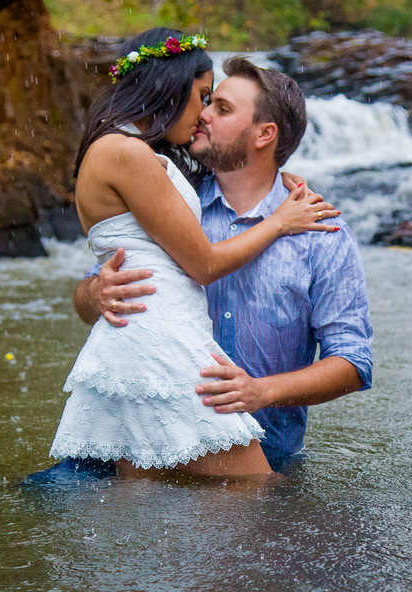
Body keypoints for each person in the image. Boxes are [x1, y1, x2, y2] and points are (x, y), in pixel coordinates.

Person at [49, 28, 340, 478]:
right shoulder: (130, 156)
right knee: (260, 498)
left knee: (139, 509)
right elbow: (201, 265)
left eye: (218, 105)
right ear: (170, 87)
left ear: (265, 135)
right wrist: (279, 222)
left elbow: (354, 361)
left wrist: (272, 184)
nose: (203, 114)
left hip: (152, 341)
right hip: (160, 341)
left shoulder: (147, 159)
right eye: (204, 97)